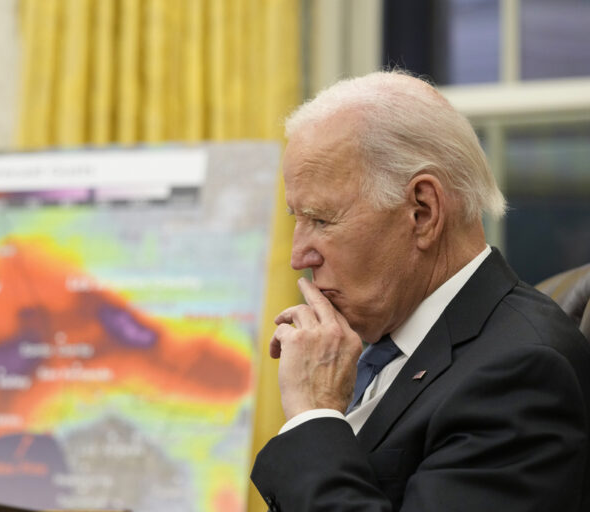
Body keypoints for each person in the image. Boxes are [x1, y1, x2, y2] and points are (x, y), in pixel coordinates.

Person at [251, 71, 590, 511]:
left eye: (321, 220)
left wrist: (314, 415)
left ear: (423, 211)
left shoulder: (523, 372)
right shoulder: (375, 348)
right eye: (296, 219)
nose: (299, 256)